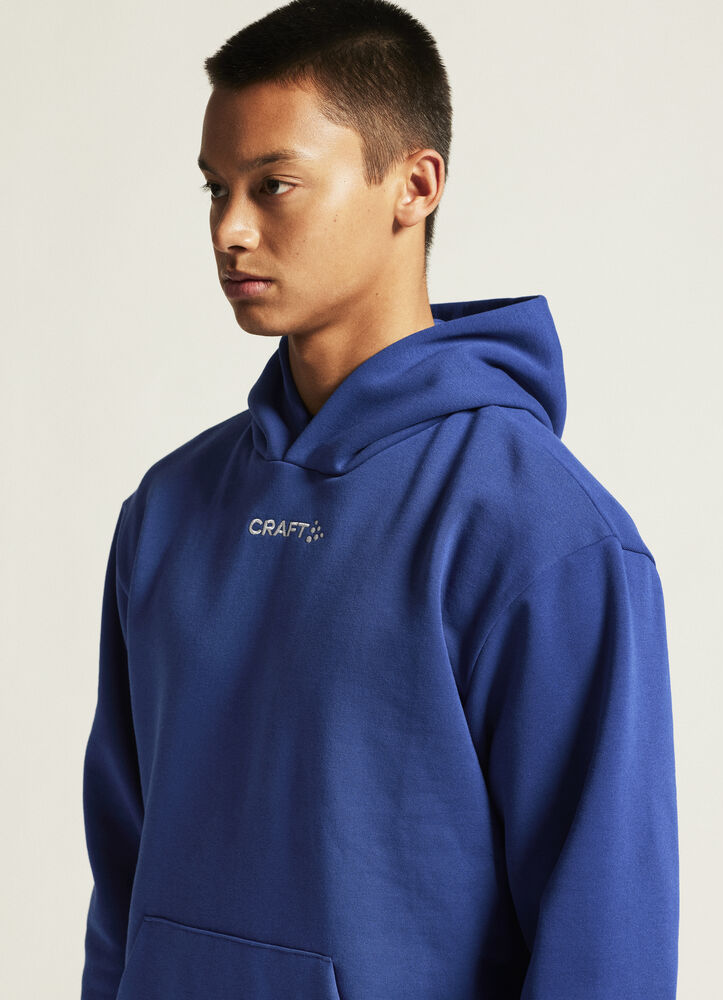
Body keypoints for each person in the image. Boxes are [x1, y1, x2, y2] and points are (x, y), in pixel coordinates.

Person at [80, 1, 680, 998]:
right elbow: (121, 884)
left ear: (415, 184)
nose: (230, 229)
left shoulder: (545, 535)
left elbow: (604, 945)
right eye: (217, 189)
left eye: (273, 185)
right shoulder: (168, 510)